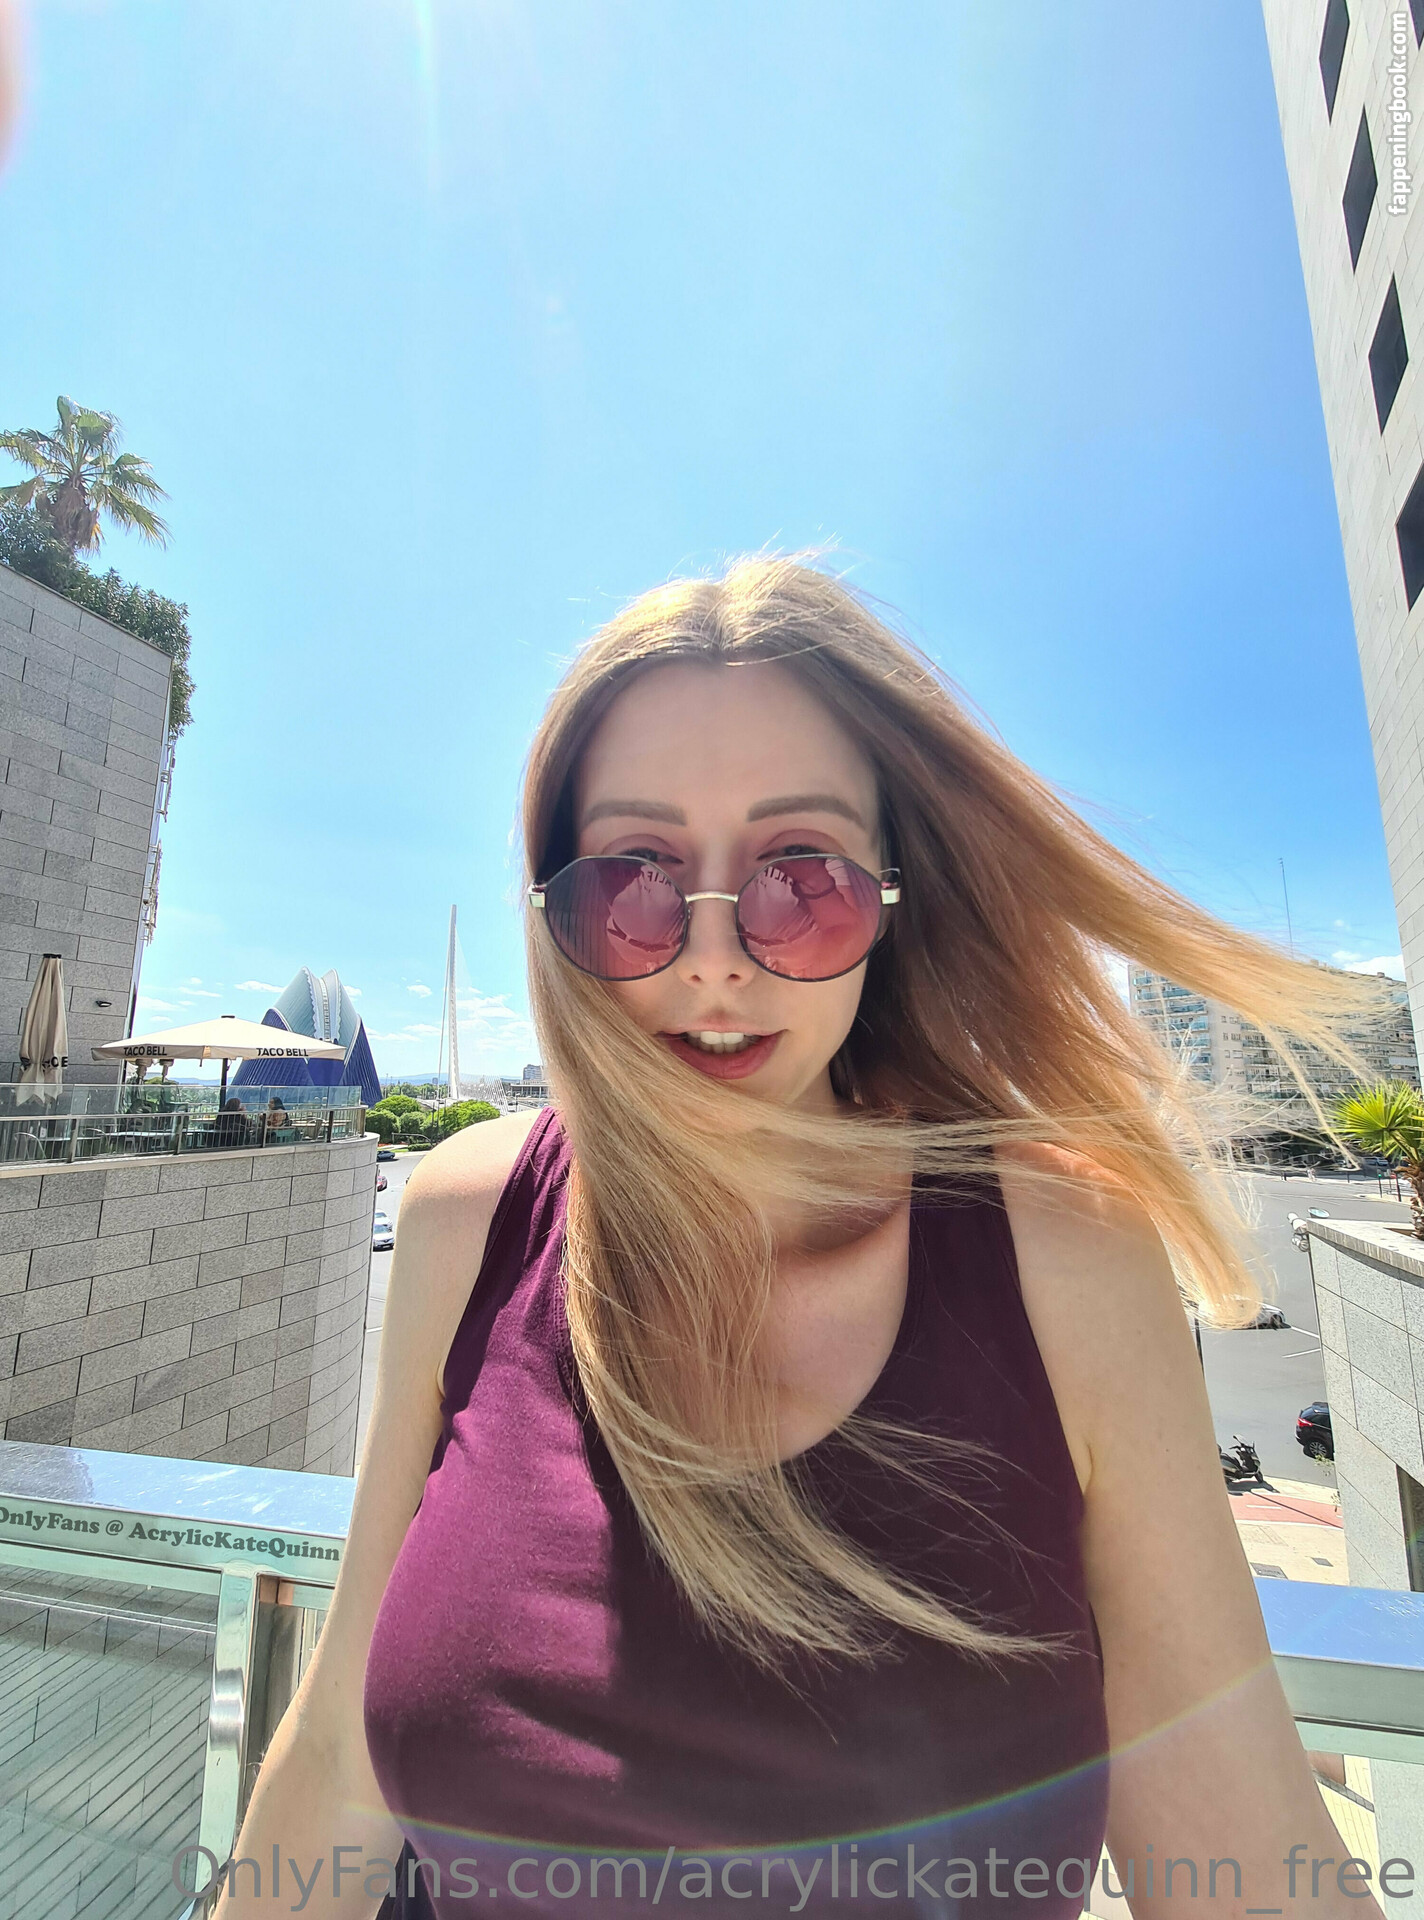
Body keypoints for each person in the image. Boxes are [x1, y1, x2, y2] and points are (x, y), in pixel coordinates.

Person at [214, 558, 1381, 1920]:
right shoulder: (471, 1218)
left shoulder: (1059, 1254)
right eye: (633, 881)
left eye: (801, 878)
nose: (713, 959)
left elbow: (1240, 1845)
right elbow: (339, 1749)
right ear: (554, 910)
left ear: (895, 897)